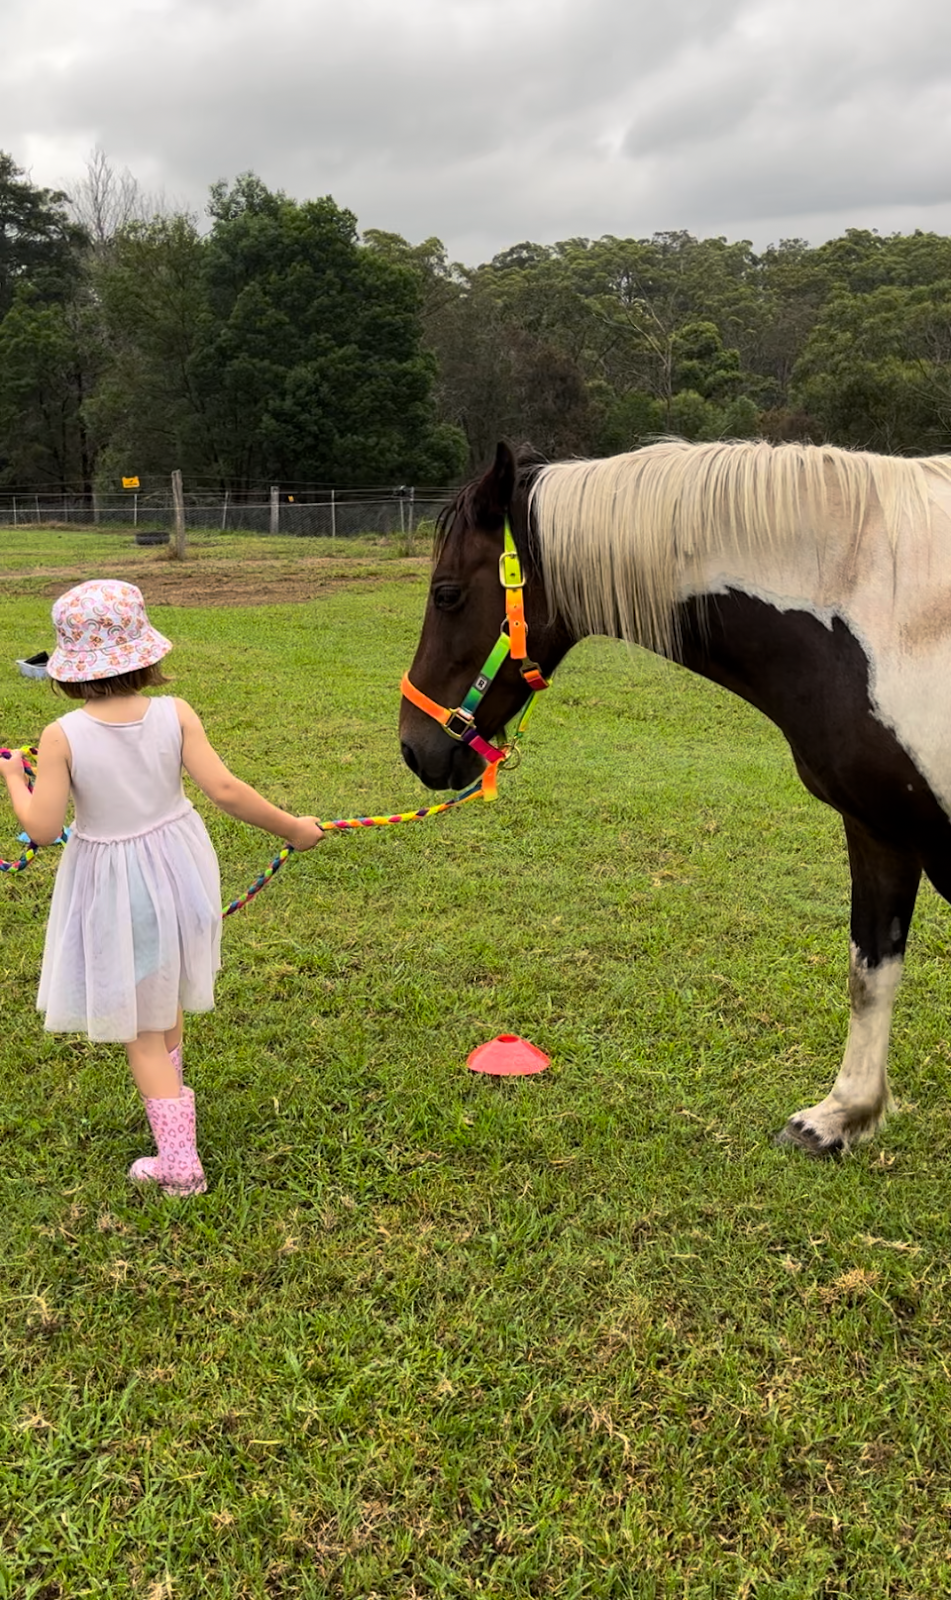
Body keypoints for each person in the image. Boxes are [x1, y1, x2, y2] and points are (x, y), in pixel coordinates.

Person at [0, 579, 324, 1197]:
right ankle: (171, 1111)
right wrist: (293, 828)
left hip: (119, 886)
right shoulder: (176, 713)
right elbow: (226, 791)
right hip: (180, 870)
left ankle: (179, 1166)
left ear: (69, 668)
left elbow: (41, 828)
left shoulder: (62, 733)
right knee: (163, 997)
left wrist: (15, 778)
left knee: (141, 1032)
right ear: (146, 653)